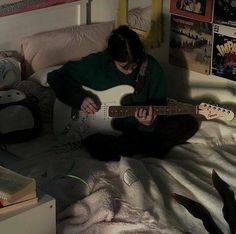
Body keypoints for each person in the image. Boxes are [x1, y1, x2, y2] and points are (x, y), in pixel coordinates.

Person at [47, 25, 199, 161]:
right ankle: (145, 149)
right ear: (111, 58)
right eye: (124, 66)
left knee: (189, 122)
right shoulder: (96, 64)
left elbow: (159, 105)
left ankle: (139, 148)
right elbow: (55, 77)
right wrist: (79, 99)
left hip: (136, 131)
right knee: (101, 145)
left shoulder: (152, 68)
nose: (131, 69)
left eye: (135, 64)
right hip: (104, 133)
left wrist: (148, 123)